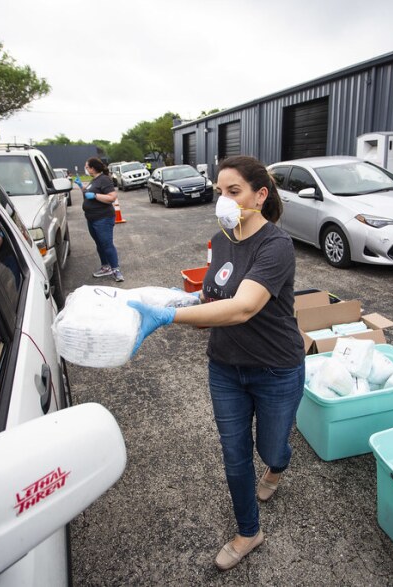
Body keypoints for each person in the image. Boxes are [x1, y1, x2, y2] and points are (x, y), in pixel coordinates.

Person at [127, 155, 305, 571]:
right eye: (219, 192)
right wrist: (185, 300)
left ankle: (278, 465)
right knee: (235, 453)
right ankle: (249, 531)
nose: (223, 200)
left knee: (270, 447)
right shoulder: (222, 238)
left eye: (234, 191)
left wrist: (169, 317)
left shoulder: (276, 246)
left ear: (260, 196)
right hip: (225, 367)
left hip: (276, 368)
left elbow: (242, 307)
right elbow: (217, 294)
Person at [82, 157, 123, 282]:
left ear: (93, 168)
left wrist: (95, 195)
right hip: (92, 218)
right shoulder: (94, 180)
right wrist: (82, 187)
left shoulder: (104, 179)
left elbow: (112, 197)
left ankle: (116, 270)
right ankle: (106, 267)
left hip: (103, 218)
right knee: (99, 244)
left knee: (106, 244)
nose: (86, 169)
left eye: (87, 167)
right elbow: (90, 193)